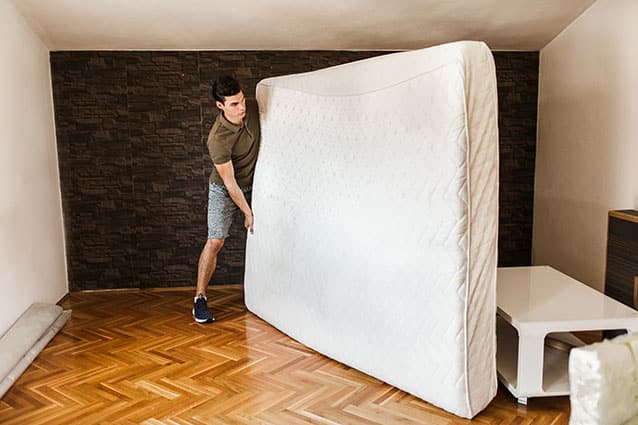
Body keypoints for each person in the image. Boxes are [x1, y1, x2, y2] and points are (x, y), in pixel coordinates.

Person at [193, 76, 260, 323]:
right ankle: (200, 299)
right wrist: (247, 212)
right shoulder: (217, 138)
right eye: (234, 104)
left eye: (241, 100)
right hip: (225, 188)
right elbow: (230, 183)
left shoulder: (252, 107)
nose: (241, 108)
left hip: (257, 183)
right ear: (220, 106)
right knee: (215, 241)